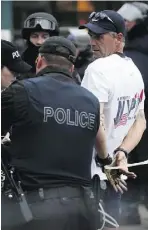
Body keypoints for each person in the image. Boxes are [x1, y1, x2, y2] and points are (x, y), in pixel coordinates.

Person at [2, 36, 115, 230]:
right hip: (83, 211)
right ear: (71, 69)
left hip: (34, 211)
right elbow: (100, 143)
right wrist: (107, 162)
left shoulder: (21, 92)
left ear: (39, 61)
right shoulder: (91, 101)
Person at [80, 10, 146, 229]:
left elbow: (93, 122)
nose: (92, 42)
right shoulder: (133, 70)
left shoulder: (97, 69)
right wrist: (123, 152)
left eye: (99, 36)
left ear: (119, 38)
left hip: (92, 174)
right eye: (90, 35)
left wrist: (105, 159)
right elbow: (140, 122)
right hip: (116, 172)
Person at [118, 2, 148, 224]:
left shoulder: (133, 52)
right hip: (128, 118)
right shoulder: (122, 51)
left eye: (128, 21)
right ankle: (129, 211)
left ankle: (131, 211)